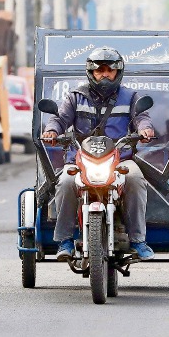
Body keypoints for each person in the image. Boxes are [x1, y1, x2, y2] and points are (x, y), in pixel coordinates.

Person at [41, 46, 157, 261]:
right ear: (91, 72)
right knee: (66, 181)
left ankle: (139, 240)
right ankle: (64, 241)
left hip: (119, 158)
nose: (104, 74)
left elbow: (142, 117)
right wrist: (52, 130)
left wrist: (144, 129)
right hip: (81, 158)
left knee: (134, 178)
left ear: (117, 72)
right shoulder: (75, 97)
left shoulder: (131, 97)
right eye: (99, 70)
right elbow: (60, 118)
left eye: (109, 70)